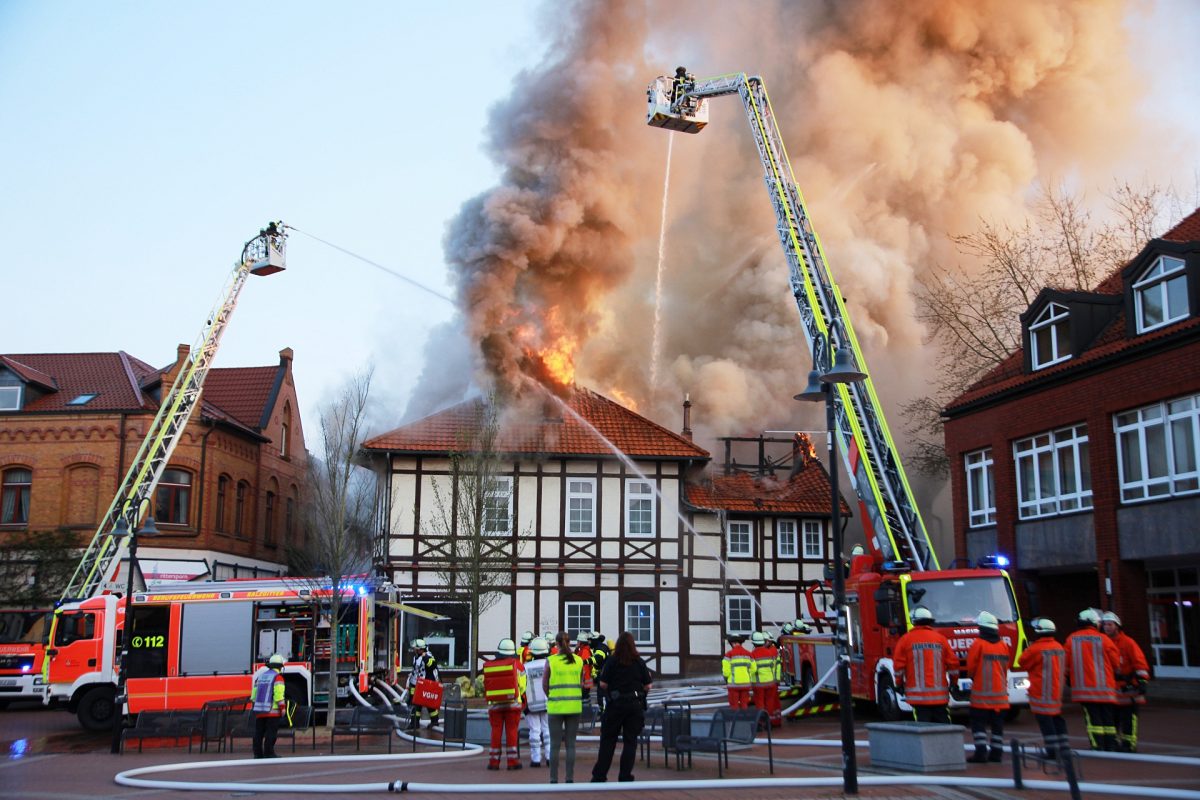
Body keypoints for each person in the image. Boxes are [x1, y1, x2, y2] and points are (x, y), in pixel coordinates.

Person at [590, 631, 654, 783]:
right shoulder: (639, 662)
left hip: (616, 705)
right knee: (630, 741)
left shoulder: (612, 661)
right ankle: (625, 776)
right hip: (634, 705)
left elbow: (603, 683)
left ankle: (600, 775)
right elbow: (648, 685)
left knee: (608, 740)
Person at [1066, 608, 1120, 751]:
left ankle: (1097, 745)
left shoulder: (1071, 639)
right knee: (1108, 719)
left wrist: (1068, 678)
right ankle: (1111, 744)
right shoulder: (1105, 639)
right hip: (1105, 688)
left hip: (1084, 690)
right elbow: (1116, 663)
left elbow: (1066, 663)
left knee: (1092, 719)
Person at [893, 606, 959, 723]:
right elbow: (953, 664)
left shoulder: (905, 640)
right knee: (944, 727)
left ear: (914, 621)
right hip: (940, 697)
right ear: (930, 621)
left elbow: (899, 667)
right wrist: (954, 683)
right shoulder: (940, 639)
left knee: (923, 730)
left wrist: (899, 684)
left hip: (918, 698)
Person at [1017, 617, 1069, 759]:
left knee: (1046, 722)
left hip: (1041, 691)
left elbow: (1022, 662)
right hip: (1056, 691)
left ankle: (1052, 751)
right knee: (1057, 719)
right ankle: (1064, 747)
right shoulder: (1059, 647)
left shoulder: (1035, 648)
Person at [966, 610, 1011, 763]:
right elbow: (1006, 667)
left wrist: (974, 678)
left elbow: (971, 667)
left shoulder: (978, 645)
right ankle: (996, 754)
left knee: (979, 726)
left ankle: (980, 753)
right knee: (997, 728)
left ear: (981, 628)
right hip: (1000, 697)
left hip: (981, 697)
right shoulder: (1003, 645)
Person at [1101, 611, 1149, 752]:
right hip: (1112, 690)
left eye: (1110, 624)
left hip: (1129, 689)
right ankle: (1114, 743)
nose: (1107, 627)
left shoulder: (1128, 643)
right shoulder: (1103, 642)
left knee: (1129, 721)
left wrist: (1142, 681)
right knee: (1112, 721)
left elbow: (1139, 663)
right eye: (1105, 625)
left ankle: (1129, 745)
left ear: (1117, 626)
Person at [544, 632, 586, 784]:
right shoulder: (579, 661)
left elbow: (545, 684)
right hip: (574, 706)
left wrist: (552, 695)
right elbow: (581, 683)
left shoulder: (551, 661)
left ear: (556, 644)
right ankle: (569, 778)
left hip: (555, 706)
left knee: (554, 746)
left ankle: (553, 779)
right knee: (571, 745)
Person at [483, 637, 526, 770]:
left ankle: (494, 761)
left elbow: (486, 684)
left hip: (494, 703)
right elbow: (523, 686)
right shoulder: (517, 664)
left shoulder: (490, 665)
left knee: (496, 731)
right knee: (512, 731)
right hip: (513, 704)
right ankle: (512, 761)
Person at [250, 653, 287, 759]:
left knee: (259, 733)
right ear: (280, 667)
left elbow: (253, 695)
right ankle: (269, 753)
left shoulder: (261, 676)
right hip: (273, 711)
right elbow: (279, 695)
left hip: (259, 711)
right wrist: (282, 708)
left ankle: (257, 753)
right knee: (271, 733)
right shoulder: (278, 677)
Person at [523, 637, 552, 768]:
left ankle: (535, 759)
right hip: (548, 704)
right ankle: (550, 757)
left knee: (534, 731)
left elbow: (521, 687)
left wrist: (525, 706)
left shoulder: (525, 667)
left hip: (531, 705)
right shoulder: (551, 664)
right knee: (547, 731)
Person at [405, 638, 440, 730]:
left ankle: (435, 722)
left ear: (420, 649)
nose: (414, 650)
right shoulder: (415, 657)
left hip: (425, 685)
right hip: (415, 684)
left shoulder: (428, 656)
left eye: (415, 648)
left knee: (430, 705)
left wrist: (425, 657)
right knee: (415, 705)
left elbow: (433, 665)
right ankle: (414, 723)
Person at [750, 631, 781, 727]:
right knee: (770, 703)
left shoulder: (752, 654)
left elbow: (753, 669)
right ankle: (770, 722)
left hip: (758, 684)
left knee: (760, 703)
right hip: (771, 682)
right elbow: (775, 667)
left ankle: (760, 723)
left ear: (754, 643)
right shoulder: (770, 652)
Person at [721, 635, 754, 709]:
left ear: (733, 643)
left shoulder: (729, 654)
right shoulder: (749, 654)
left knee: (734, 705)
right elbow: (754, 669)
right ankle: (744, 718)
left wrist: (727, 678)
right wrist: (748, 676)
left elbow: (726, 672)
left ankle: (735, 719)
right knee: (744, 704)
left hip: (733, 685)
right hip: (746, 684)